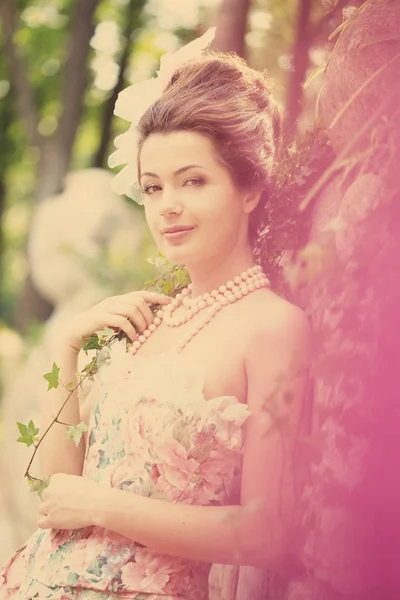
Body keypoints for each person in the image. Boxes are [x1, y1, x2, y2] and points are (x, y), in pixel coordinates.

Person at [0, 29, 310, 600]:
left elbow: (268, 532)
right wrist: (68, 345)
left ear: (249, 188)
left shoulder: (273, 328)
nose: (168, 205)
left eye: (193, 181)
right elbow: (53, 484)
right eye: (152, 187)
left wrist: (105, 505)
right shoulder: (148, 320)